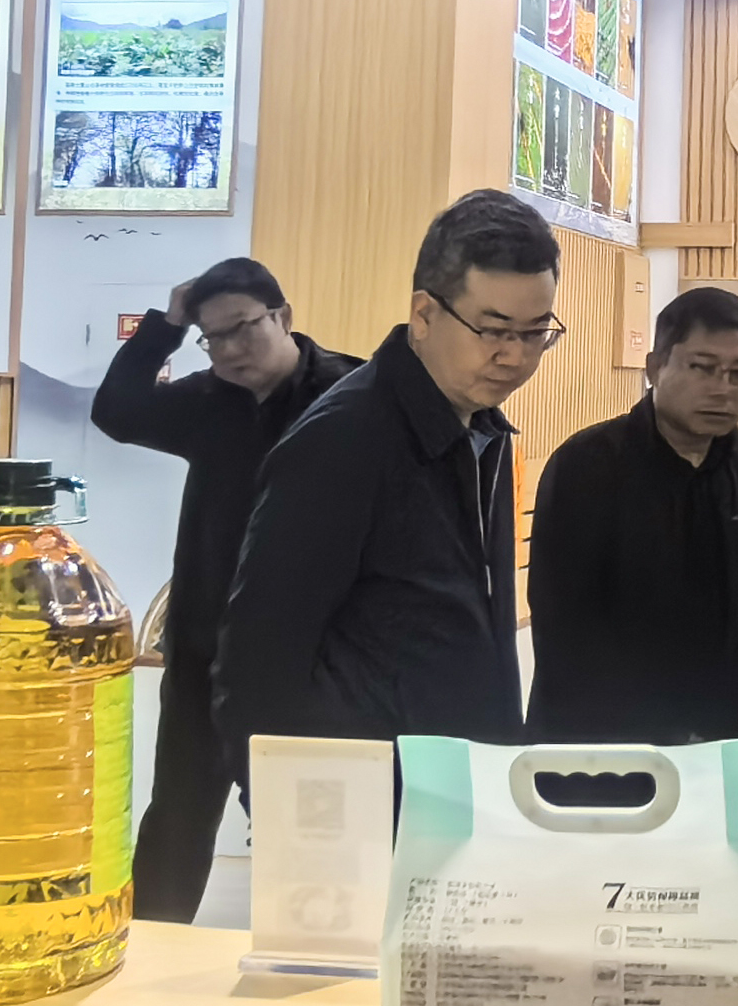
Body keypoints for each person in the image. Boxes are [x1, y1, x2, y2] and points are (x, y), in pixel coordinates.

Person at [215, 190, 560, 761]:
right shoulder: (343, 441)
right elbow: (257, 665)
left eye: (535, 332)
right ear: (424, 315)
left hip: (460, 783)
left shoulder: (483, 430)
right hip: (376, 792)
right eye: (494, 330)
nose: (516, 357)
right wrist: (302, 804)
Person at [91, 257, 358, 923]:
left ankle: (308, 962)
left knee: (303, 827)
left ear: (283, 317)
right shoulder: (209, 400)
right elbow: (117, 412)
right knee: (178, 817)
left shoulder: (350, 394)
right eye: (213, 338)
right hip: (204, 648)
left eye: (243, 328)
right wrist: (167, 327)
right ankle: (151, 955)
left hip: (308, 660)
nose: (231, 350)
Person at [527, 287, 738, 744]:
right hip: (592, 743)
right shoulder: (586, 465)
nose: (722, 389)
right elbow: (563, 620)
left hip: (708, 742)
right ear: (655, 367)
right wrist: (650, 733)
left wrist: (717, 725)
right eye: (702, 367)